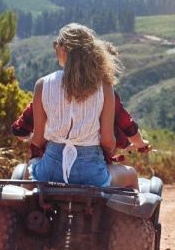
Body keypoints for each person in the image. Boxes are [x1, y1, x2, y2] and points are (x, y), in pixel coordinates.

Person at [30, 23, 139, 189]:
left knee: (28, 170)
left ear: (63, 49)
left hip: (51, 171)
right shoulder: (104, 86)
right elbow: (108, 141)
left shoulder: (42, 85)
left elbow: (38, 140)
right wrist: (107, 154)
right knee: (131, 175)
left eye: (56, 45)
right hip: (91, 173)